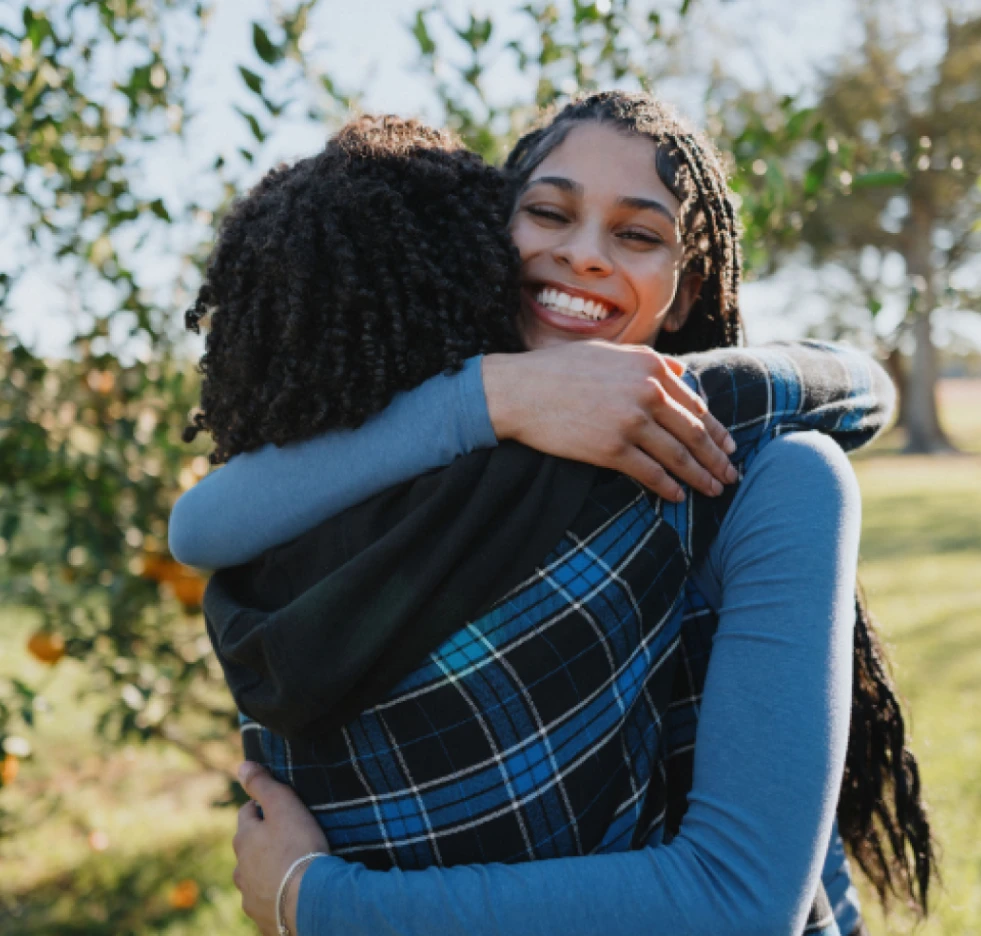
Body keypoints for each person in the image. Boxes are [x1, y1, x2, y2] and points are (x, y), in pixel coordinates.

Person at [170, 97, 933, 936]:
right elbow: (203, 526)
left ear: (682, 299)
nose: (583, 255)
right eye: (547, 213)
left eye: (637, 235)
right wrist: (496, 395)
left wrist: (319, 902)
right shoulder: (435, 444)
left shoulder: (761, 472)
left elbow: (741, 905)